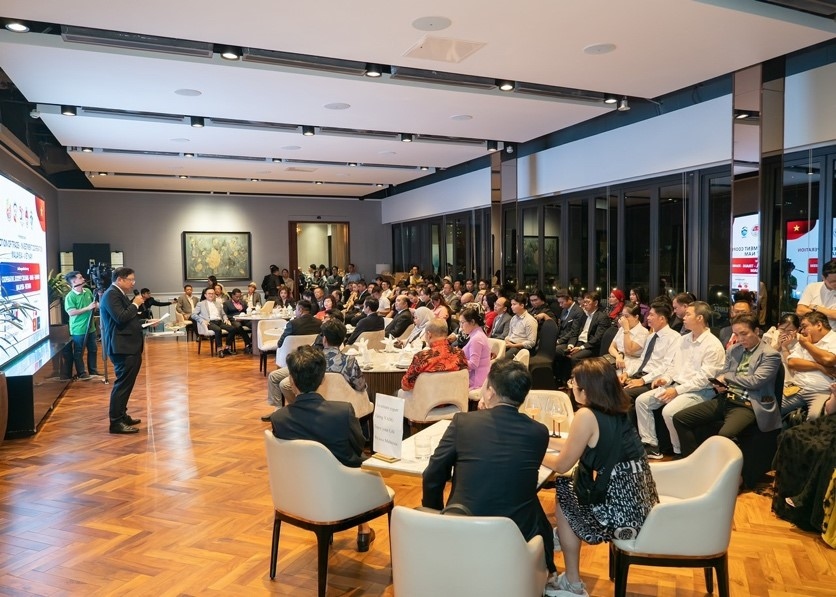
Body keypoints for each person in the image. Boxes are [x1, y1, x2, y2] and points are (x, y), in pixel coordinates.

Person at [423, 359, 556, 581]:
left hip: (464, 523)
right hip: (518, 530)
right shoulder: (538, 432)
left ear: (490, 392)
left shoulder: (463, 422)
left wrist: (435, 514)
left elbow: (433, 473)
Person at [542, 358, 658, 597]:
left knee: (564, 493)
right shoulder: (616, 409)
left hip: (622, 516)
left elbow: (563, 463)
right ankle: (560, 540)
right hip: (640, 503)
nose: (570, 385)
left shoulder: (586, 415)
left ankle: (572, 581)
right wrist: (540, 439)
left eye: (573, 382)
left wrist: (532, 450)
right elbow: (574, 446)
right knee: (570, 491)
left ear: (585, 389)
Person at [269, 345, 375, 552]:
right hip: (342, 489)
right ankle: (363, 529)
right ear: (322, 379)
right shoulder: (342, 412)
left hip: (298, 492)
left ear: (291, 380)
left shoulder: (279, 418)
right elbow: (357, 447)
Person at [673, 313, 782, 458]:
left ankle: (727, 472)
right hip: (727, 397)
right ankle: (693, 461)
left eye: (744, 334)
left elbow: (755, 382)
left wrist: (727, 378)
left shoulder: (770, 354)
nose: (740, 339)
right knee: (680, 418)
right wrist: (721, 382)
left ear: (756, 331)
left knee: (723, 436)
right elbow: (725, 372)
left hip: (748, 403)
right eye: (736, 334)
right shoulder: (733, 350)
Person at [635, 301, 725, 459]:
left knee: (670, 411)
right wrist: (665, 379)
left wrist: (676, 391)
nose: (683, 317)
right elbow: (674, 367)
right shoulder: (684, 340)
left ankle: (679, 451)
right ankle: (651, 445)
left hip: (701, 392)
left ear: (700, 318)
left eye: (688, 314)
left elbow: (703, 380)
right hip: (678, 385)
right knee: (642, 401)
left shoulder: (713, 345)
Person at [99, 267, 148, 434]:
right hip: (121, 347)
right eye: (130, 280)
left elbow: (129, 318)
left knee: (127, 384)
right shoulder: (111, 294)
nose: (133, 283)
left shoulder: (118, 293)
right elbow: (120, 318)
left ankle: (122, 414)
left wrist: (146, 322)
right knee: (122, 385)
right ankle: (115, 422)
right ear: (120, 279)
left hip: (129, 345)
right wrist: (135, 303)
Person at [619, 300, 681, 401]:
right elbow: (641, 360)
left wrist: (642, 380)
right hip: (639, 375)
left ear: (662, 319)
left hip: (653, 380)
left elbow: (665, 366)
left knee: (622, 394)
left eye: (651, 315)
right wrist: (627, 373)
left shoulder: (674, 338)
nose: (647, 318)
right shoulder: (651, 336)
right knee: (609, 385)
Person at [781, 311, 836, 419]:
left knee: (815, 418)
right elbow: (792, 363)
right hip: (797, 387)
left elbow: (829, 360)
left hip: (821, 391)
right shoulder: (805, 340)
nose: (802, 331)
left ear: (819, 325)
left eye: (805, 326)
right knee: (769, 410)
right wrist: (819, 366)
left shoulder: (833, 339)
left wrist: (807, 345)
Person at [399, 318, 467, 394]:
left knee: (398, 393)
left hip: (427, 402)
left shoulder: (422, 356)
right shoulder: (459, 353)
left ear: (429, 335)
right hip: (454, 400)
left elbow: (405, 385)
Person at [63, 271, 100, 380]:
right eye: (80, 278)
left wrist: (96, 306)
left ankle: (93, 371)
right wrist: (88, 308)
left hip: (91, 327)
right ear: (74, 281)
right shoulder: (70, 297)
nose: (83, 279)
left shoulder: (88, 291)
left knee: (93, 349)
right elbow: (71, 312)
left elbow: (93, 306)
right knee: (79, 352)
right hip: (78, 329)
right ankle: (82, 373)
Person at [607, 302, 650, 374]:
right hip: (617, 360)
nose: (623, 319)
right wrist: (618, 356)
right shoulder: (622, 328)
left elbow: (629, 350)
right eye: (622, 316)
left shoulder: (643, 332)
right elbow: (611, 347)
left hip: (631, 365)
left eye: (626, 316)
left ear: (636, 317)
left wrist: (626, 329)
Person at [796, 258, 836, 328]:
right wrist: (829, 313)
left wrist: (816, 308)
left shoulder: (816, 308)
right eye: (832, 281)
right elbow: (800, 311)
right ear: (823, 278)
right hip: (811, 333)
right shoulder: (813, 287)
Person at [459, 307, 491, 391]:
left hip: (476, 379)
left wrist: (457, 360)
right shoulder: (477, 334)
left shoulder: (476, 338)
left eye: (462, 323)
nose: (461, 327)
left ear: (472, 322)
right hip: (476, 375)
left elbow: (473, 364)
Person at [504, 292, 538, 358]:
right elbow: (509, 335)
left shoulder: (530, 320)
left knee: (501, 359)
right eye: (511, 304)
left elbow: (531, 342)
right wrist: (506, 340)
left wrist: (513, 345)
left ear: (522, 305)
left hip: (520, 348)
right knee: (492, 353)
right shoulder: (513, 318)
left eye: (514, 304)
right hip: (510, 343)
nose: (511, 307)